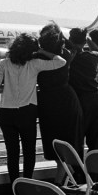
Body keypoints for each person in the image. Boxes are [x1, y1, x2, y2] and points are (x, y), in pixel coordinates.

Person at [0, 33, 66, 189]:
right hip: (27, 112)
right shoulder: (35, 64)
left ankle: (14, 187)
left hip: (6, 113)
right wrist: (42, 51)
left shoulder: (3, 63)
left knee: (12, 153)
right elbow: (61, 61)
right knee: (29, 152)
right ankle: (27, 185)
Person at [36, 22, 83, 160]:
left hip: (47, 102)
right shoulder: (66, 55)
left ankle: (61, 179)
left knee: (52, 141)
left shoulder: (37, 58)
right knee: (68, 141)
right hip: (66, 100)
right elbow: (70, 46)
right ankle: (66, 177)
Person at [68, 27, 98, 152]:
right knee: (97, 143)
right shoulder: (93, 57)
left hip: (81, 102)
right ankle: (95, 170)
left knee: (77, 141)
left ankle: (78, 171)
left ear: (70, 40)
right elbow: (97, 50)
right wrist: (88, 39)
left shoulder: (69, 60)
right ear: (84, 42)